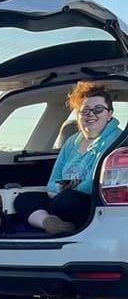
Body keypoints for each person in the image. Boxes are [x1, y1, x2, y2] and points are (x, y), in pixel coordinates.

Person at [12, 83, 121, 237]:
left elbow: (94, 183)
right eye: (85, 111)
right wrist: (59, 191)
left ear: (109, 114)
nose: (91, 114)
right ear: (78, 114)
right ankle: (51, 224)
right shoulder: (71, 141)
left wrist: (65, 190)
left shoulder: (116, 139)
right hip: (60, 198)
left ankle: (68, 225)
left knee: (66, 201)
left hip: (91, 203)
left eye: (98, 110)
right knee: (23, 199)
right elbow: (52, 182)